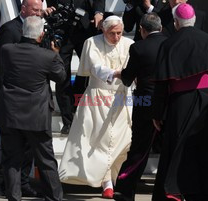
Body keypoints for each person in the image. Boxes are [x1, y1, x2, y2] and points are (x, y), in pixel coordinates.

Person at [151, 3, 208, 201]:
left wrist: (157, 114)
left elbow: (161, 85)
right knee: (203, 150)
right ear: (193, 21)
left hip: (180, 103)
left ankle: (174, 191)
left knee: (176, 149)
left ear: (176, 22)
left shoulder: (167, 44)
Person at [0, 16, 66, 201]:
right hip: (36, 115)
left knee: (11, 159)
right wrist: (55, 53)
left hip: (10, 112)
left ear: (23, 31)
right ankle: (54, 198)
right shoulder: (48, 56)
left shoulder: (7, 50)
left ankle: (14, 197)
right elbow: (61, 77)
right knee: (46, 160)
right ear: (41, 35)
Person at [58, 15, 134, 199]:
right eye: (112, 33)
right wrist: (117, 73)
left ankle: (111, 179)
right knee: (98, 141)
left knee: (121, 141)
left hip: (122, 97)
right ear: (102, 30)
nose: (116, 37)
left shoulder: (129, 44)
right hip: (97, 96)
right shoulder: (91, 42)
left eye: (119, 33)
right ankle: (106, 183)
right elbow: (95, 67)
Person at [113, 12, 167, 201]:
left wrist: (122, 74)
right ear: (160, 28)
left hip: (144, 103)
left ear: (142, 30)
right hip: (169, 103)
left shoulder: (138, 48)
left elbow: (128, 78)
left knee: (139, 149)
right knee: (169, 150)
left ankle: (125, 190)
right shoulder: (171, 44)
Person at [46, 0, 106, 134]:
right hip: (62, 29)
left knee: (90, 72)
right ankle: (67, 121)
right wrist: (46, 8)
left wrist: (98, 12)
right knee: (62, 77)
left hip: (85, 29)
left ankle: (85, 112)